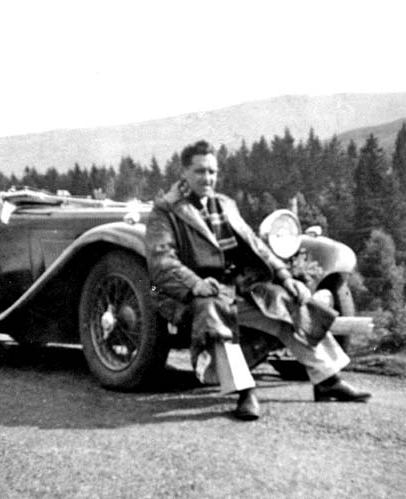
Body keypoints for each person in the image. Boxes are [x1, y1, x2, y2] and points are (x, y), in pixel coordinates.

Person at [145, 140, 371, 420]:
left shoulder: (224, 204)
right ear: (185, 173)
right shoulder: (166, 211)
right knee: (215, 312)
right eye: (201, 171)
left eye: (213, 172)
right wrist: (195, 283)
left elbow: (257, 246)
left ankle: (327, 380)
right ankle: (244, 391)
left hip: (237, 284)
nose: (208, 178)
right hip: (187, 292)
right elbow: (161, 262)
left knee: (288, 301)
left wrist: (285, 276)